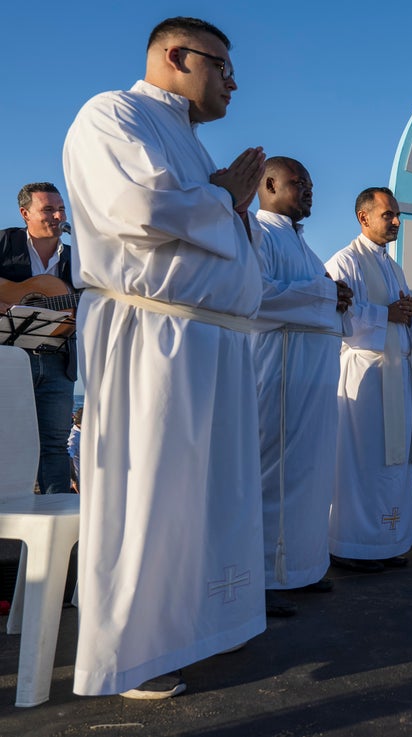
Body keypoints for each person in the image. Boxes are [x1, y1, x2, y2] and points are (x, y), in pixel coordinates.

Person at [62, 17, 267, 699]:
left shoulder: (187, 136)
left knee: (202, 500)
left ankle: (192, 628)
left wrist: (221, 203)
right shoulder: (112, 113)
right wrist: (222, 197)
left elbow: (204, 223)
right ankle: (129, 654)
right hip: (152, 334)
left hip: (212, 338)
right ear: (176, 56)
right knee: (150, 491)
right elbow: (138, 205)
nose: (232, 82)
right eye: (222, 67)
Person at [251, 157, 351, 617]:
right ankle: (266, 578)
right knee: (277, 474)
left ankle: (304, 567)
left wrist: (337, 298)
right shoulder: (258, 233)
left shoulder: (303, 246)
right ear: (268, 184)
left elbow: (320, 297)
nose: (309, 190)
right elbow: (258, 296)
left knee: (310, 475)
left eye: (310, 183)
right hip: (282, 371)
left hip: (314, 373)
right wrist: (328, 295)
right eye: (298, 183)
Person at [325, 187, 412, 572]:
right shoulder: (343, 261)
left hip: (395, 372)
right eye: (388, 215)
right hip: (363, 374)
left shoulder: (393, 266)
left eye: (397, 214)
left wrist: (405, 313)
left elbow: (395, 316)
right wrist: (388, 315)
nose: (396, 221)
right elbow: (337, 317)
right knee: (361, 463)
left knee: (393, 461)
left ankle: (386, 541)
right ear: (364, 218)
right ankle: (352, 546)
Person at [0, 182, 78, 494]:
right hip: (10, 360)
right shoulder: (5, 243)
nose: (58, 215)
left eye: (61, 209)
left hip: (59, 360)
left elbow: (91, 306)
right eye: (48, 209)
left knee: (55, 445)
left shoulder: (78, 259)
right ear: (25, 213)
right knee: (7, 439)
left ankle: (57, 524)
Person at [68, 407, 82, 492]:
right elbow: (68, 457)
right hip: (80, 484)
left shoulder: (82, 432)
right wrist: (74, 481)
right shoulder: (74, 437)